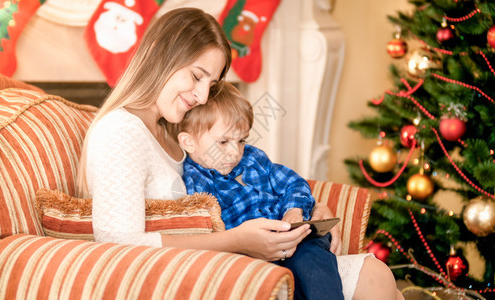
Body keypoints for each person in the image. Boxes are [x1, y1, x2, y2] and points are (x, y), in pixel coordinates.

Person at [77, 7, 404, 300]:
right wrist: (237, 241)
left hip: (238, 261)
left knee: (376, 275)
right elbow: (118, 243)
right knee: (373, 279)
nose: (203, 96)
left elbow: (246, 180)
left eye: (212, 82)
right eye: (196, 76)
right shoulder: (121, 130)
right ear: (158, 55)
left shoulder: (170, 130)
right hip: (198, 275)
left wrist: (310, 209)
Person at [177, 82, 344, 299]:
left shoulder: (254, 158)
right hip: (250, 255)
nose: (235, 152)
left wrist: (294, 211)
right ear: (188, 142)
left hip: (294, 241)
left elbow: (294, 183)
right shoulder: (196, 184)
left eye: (241, 140)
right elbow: (209, 236)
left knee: (311, 257)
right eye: (223, 142)